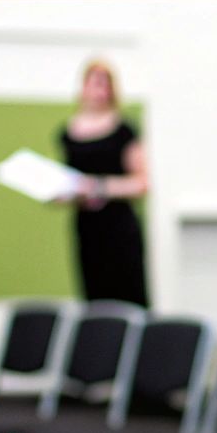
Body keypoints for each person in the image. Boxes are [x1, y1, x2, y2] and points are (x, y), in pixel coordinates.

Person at [59, 59, 150, 307]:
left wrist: (99, 186)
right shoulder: (68, 133)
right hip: (88, 225)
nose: (99, 91)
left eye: (105, 84)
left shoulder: (124, 130)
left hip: (117, 225)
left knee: (126, 293)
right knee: (94, 295)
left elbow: (142, 182)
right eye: (94, 83)